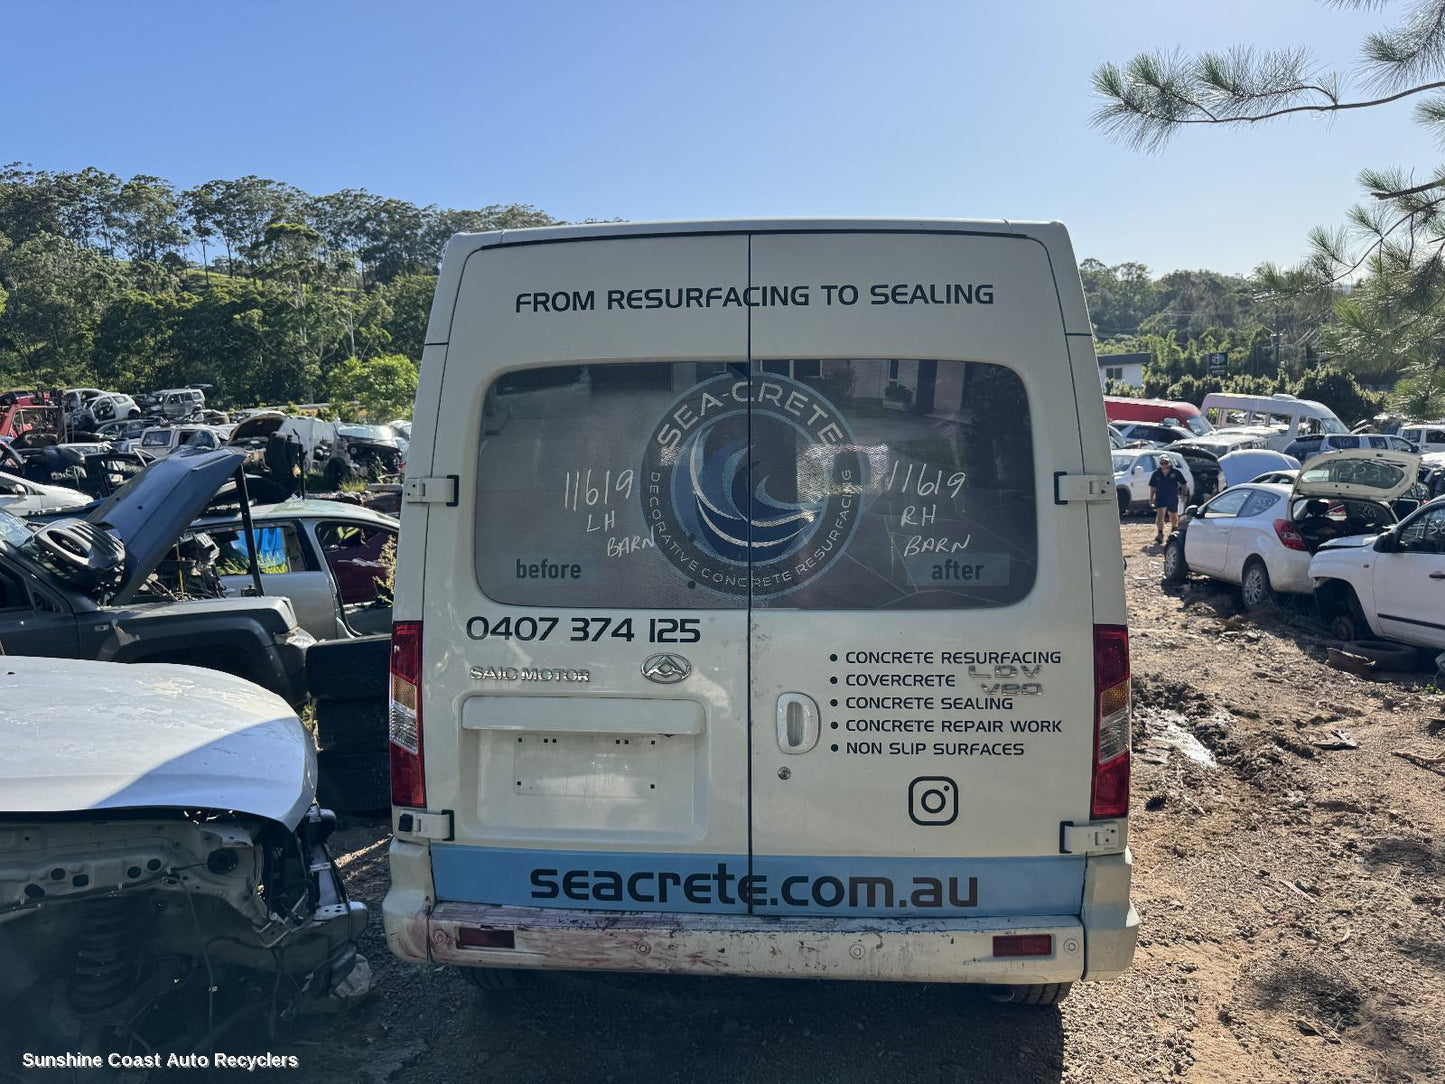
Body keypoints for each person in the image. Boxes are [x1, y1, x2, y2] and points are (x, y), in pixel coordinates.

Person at [1149, 456, 1185, 544]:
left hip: (1172, 496)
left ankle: (1174, 529)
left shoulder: (1175, 472)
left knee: (1173, 515)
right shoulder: (1156, 474)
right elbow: (1152, 487)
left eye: (1166, 463)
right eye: (1162, 463)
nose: (1164, 465)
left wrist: (1184, 494)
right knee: (1160, 514)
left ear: (1169, 463)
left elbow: (1184, 483)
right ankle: (1160, 534)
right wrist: (1151, 498)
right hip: (1160, 497)